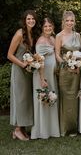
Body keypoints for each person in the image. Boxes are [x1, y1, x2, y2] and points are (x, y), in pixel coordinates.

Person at [7, 10, 40, 140]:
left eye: (33, 19)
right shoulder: (19, 33)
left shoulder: (33, 34)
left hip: (28, 71)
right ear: (24, 20)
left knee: (26, 99)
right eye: (28, 19)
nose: (31, 21)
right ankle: (17, 129)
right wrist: (23, 65)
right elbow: (9, 55)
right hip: (19, 70)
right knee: (20, 99)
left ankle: (23, 129)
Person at [31, 18, 60, 139]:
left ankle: (52, 129)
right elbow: (40, 61)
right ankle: (42, 131)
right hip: (42, 75)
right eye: (45, 26)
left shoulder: (53, 39)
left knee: (51, 98)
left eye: (50, 26)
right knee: (43, 100)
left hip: (51, 74)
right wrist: (42, 79)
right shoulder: (41, 41)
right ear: (42, 28)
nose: (48, 28)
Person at [55, 11, 81, 136]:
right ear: (63, 22)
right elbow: (57, 54)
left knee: (74, 98)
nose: (70, 23)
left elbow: (79, 53)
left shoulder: (78, 35)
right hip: (65, 71)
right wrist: (66, 65)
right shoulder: (59, 36)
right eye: (67, 20)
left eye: (72, 20)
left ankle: (74, 128)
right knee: (66, 98)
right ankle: (65, 128)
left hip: (76, 71)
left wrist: (77, 64)